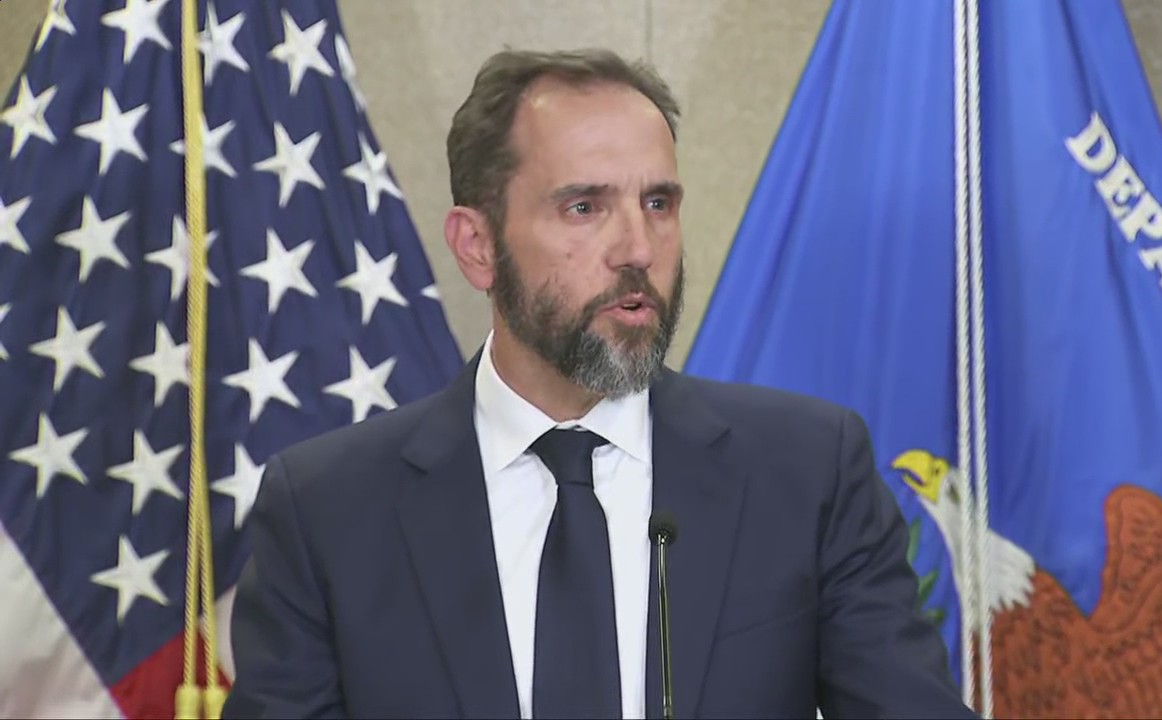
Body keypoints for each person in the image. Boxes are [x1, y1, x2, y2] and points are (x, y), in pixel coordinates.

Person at [222, 48, 974, 720]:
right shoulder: (328, 510)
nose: (638, 248)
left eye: (658, 204)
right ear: (478, 246)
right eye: (585, 207)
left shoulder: (808, 473)